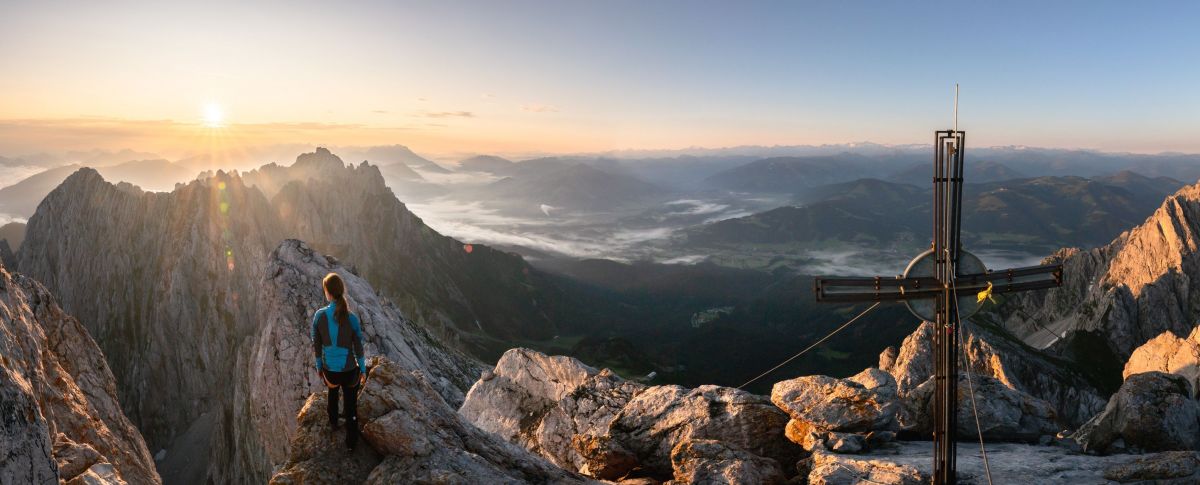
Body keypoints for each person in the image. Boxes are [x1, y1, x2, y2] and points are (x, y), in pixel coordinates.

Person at [310, 272, 367, 450]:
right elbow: (358, 348)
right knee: (351, 407)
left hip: (330, 372)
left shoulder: (319, 316)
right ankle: (351, 444)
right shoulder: (352, 319)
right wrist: (363, 370)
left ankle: (333, 422)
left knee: (332, 394)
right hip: (350, 372)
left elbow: (317, 345)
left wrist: (320, 367)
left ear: (328, 292)